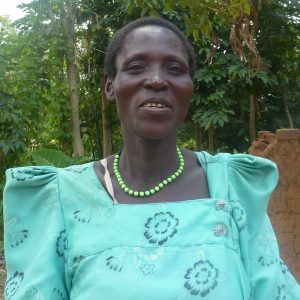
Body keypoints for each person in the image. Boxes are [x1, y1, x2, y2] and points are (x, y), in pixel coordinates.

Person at [3, 17, 299, 300]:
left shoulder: (233, 188)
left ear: (189, 87)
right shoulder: (61, 197)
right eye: (136, 67)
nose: (157, 80)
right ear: (110, 85)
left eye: (174, 68)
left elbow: (272, 291)